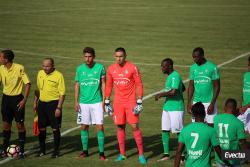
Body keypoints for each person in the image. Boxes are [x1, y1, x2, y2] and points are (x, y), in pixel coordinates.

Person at [105, 47, 146, 164]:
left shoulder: (132, 67)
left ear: (125, 56)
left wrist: (139, 101)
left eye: (121, 56)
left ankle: (141, 154)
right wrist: (107, 101)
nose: (119, 58)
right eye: (117, 56)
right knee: (120, 127)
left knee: (134, 126)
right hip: (118, 103)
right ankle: (122, 154)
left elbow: (139, 84)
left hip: (131, 102)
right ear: (114, 57)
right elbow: (108, 86)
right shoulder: (111, 69)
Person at [174, 102, 231, 167]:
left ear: (193, 115)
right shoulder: (211, 131)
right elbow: (220, 153)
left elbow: (179, 152)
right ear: (204, 113)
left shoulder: (184, 130)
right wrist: (230, 164)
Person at [74, 47, 106, 160]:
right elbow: (77, 85)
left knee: (100, 127)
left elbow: (103, 84)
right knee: (84, 127)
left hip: (97, 102)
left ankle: (102, 153)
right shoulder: (79, 69)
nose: (87, 59)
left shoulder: (100, 68)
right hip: (83, 103)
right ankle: (85, 152)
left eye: (90, 56)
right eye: (86, 56)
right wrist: (76, 102)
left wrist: (104, 100)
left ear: (94, 56)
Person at [0, 49, 31, 158]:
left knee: (19, 125)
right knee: (6, 124)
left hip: (17, 100)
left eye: (1, 57)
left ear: (6, 59)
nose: (0, 59)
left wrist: (24, 100)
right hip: (6, 100)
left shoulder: (19, 68)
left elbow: (27, 83)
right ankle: (4, 149)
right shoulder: (1, 69)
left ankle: (21, 150)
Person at [34, 58, 65, 158]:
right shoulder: (40, 73)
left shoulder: (58, 75)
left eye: (47, 66)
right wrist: (35, 102)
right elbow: (38, 89)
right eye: (43, 66)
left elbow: (62, 94)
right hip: (41, 104)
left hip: (53, 104)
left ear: (52, 65)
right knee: (41, 128)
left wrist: (59, 108)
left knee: (55, 128)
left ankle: (56, 151)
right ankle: (42, 150)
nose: (45, 68)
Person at [155, 58, 185, 161]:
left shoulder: (175, 76)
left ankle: (182, 156)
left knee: (179, 131)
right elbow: (183, 88)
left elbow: (172, 92)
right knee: (165, 130)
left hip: (176, 107)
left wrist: (160, 94)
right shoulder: (171, 76)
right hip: (167, 107)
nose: (162, 68)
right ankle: (166, 154)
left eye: (163, 66)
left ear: (169, 66)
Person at [187, 47, 220, 126]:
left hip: (209, 102)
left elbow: (217, 86)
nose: (194, 59)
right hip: (196, 103)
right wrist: (189, 102)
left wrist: (212, 103)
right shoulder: (193, 68)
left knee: (211, 126)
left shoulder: (212, 67)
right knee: (196, 126)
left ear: (202, 56)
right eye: (193, 57)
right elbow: (191, 86)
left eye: (196, 57)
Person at [214, 98, 248, 167]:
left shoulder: (216, 118)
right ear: (235, 109)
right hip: (232, 158)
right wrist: (246, 155)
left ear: (225, 107)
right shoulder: (239, 123)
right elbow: (242, 142)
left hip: (219, 155)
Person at [238, 56, 250, 133]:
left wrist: (246, 107)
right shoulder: (246, 75)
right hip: (244, 108)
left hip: (247, 108)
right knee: (236, 125)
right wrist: (240, 105)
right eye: (248, 65)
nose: (248, 67)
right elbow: (243, 91)